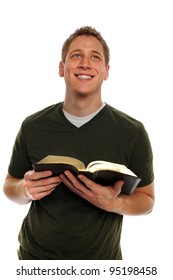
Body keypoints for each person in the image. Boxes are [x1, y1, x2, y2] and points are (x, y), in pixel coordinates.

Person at [3, 26, 155, 260]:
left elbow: (147, 200)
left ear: (106, 71)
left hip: (101, 264)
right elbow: (9, 186)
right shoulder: (32, 126)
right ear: (62, 68)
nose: (85, 63)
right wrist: (24, 189)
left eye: (95, 57)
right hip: (33, 260)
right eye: (76, 55)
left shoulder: (132, 132)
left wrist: (115, 203)